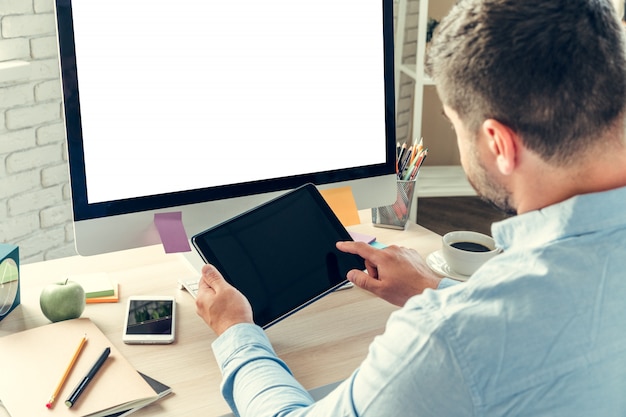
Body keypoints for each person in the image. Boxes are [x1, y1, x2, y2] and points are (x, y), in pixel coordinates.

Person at [195, 0, 626, 415]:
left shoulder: (452, 338)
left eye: (454, 125)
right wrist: (434, 288)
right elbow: (542, 326)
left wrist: (236, 331)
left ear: (498, 144)